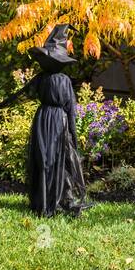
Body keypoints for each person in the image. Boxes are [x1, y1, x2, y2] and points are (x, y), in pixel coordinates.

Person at [24, 26, 89, 217]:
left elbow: (26, 94)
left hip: (44, 118)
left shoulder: (44, 78)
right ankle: (50, 199)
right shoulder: (62, 80)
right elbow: (71, 110)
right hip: (56, 120)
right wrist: (73, 135)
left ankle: (44, 200)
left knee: (46, 158)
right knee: (50, 158)